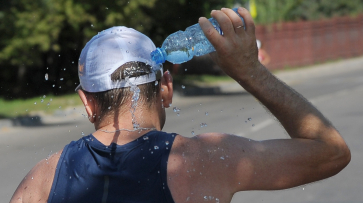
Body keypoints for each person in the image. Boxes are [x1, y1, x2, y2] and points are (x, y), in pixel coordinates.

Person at [10, 7, 350, 203]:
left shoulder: (42, 180)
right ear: (166, 88)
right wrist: (250, 72)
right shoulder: (208, 160)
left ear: (86, 102)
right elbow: (331, 152)